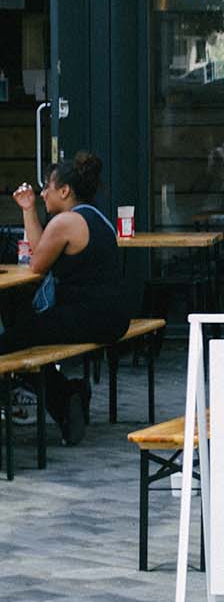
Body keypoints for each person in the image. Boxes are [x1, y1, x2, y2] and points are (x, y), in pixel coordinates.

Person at [2, 152, 127, 446]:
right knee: (23, 334)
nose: (43, 192)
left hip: (89, 315)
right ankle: (67, 398)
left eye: (47, 187)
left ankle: (65, 399)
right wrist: (29, 209)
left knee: (11, 342)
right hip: (111, 315)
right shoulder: (95, 215)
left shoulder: (65, 222)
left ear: (65, 191)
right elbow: (41, 251)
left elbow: (36, 265)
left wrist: (30, 212)